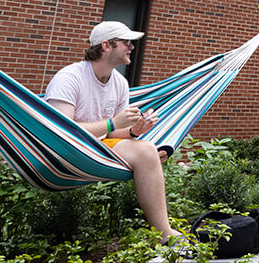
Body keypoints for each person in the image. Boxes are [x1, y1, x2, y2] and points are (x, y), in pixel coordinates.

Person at [46, 20, 179, 243]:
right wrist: (112, 123)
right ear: (106, 46)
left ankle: (165, 234)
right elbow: (60, 132)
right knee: (144, 151)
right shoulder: (69, 78)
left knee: (147, 150)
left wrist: (135, 131)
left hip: (100, 149)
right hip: (68, 151)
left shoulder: (120, 82)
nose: (132, 47)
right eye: (126, 42)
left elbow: (112, 134)